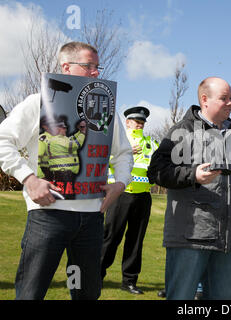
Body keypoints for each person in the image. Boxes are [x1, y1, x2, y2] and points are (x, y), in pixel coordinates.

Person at [0, 41, 133, 300]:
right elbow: (3, 140)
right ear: (66, 67)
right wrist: (28, 179)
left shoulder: (105, 108)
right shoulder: (37, 102)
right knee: (30, 293)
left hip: (92, 218)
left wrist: (120, 184)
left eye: (98, 66)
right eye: (89, 66)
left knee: (86, 294)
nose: (96, 72)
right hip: (48, 215)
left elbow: (124, 153)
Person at [148, 76, 231, 300]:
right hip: (190, 239)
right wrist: (192, 175)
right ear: (204, 100)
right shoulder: (181, 132)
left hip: (229, 241)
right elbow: (156, 171)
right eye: (224, 98)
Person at [101, 106, 159, 295]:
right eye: (136, 121)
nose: (140, 124)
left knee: (135, 241)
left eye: (142, 122)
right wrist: (123, 154)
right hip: (120, 194)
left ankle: (129, 281)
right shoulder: (117, 140)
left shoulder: (151, 142)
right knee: (110, 237)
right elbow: (101, 159)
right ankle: (96, 275)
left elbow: (158, 165)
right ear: (127, 122)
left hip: (143, 197)